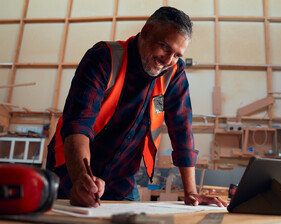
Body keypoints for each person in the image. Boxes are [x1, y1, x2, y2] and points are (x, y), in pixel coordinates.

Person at [47, 6, 228, 208]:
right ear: (147, 31)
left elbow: (182, 130)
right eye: (165, 47)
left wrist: (191, 192)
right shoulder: (104, 57)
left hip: (121, 179)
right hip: (72, 168)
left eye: (177, 54)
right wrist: (81, 178)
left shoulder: (173, 73)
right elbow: (79, 124)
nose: (168, 61)